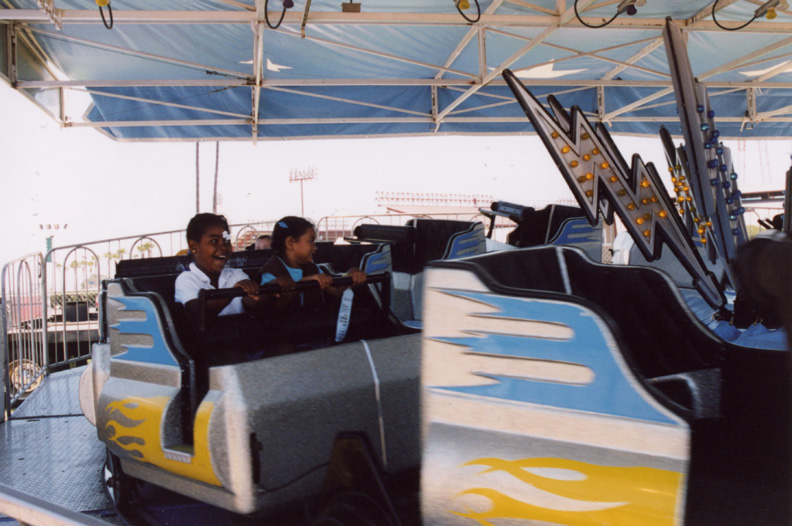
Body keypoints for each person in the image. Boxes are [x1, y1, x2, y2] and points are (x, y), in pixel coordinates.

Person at [255, 216, 366, 314]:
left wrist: (351, 278)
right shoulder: (270, 272)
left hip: (314, 327)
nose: (315, 247)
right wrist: (305, 283)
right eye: (311, 241)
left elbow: (335, 291)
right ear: (290, 243)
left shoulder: (313, 268)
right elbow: (273, 309)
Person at [174, 213, 261, 321]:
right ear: (193, 247)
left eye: (226, 240)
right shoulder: (186, 280)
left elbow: (253, 303)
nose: (223, 247)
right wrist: (233, 292)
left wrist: (267, 291)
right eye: (214, 241)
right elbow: (199, 314)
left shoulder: (237, 275)